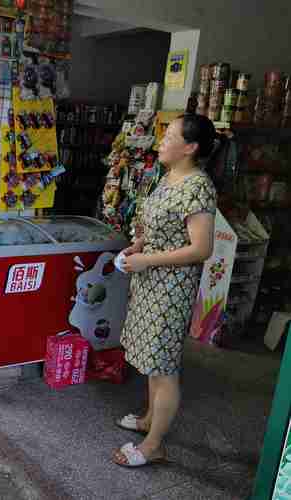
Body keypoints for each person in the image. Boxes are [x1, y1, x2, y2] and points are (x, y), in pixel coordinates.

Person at [113, 114, 219, 468]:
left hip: (171, 288)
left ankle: (154, 444)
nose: (161, 140)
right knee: (150, 359)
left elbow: (202, 248)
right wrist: (138, 245)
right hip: (149, 280)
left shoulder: (198, 187)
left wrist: (148, 260)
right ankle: (148, 420)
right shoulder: (168, 177)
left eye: (170, 135)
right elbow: (161, 225)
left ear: (190, 147)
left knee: (163, 366)